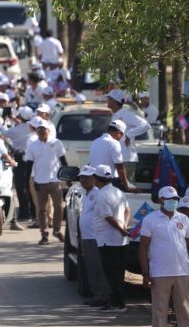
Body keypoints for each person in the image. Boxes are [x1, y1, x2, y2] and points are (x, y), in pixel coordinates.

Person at [138, 186, 189, 327]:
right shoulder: (150, 219)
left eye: (175, 199)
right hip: (160, 273)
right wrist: (145, 273)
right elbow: (143, 248)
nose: (173, 201)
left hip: (183, 272)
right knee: (160, 311)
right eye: (169, 199)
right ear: (161, 199)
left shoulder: (184, 219)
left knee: (184, 311)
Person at [93, 164, 130, 313]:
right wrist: (125, 226)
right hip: (120, 240)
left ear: (97, 178)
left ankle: (117, 304)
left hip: (108, 240)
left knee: (111, 273)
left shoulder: (102, 195)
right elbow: (127, 210)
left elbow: (108, 217)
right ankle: (118, 302)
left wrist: (121, 229)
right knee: (119, 272)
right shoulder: (118, 191)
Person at [24, 118, 67, 245]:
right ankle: (44, 234)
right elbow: (28, 165)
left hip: (55, 181)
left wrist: (67, 177)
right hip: (39, 182)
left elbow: (63, 161)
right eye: (39, 130)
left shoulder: (56, 143)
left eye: (44, 129)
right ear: (36, 132)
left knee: (59, 207)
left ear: (48, 130)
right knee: (41, 209)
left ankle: (57, 230)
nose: (42, 132)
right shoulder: (33, 145)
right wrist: (27, 184)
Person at [75, 165, 111, 307]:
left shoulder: (98, 193)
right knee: (90, 267)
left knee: (97, 268)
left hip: (95, 237)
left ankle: (103, 296)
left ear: (94, 178)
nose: (83, 180)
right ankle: (98, 295)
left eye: (86, 177)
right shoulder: (86, 193)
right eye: (81, 177)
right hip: (87, 237)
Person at [107, 89, 150, 184]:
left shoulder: (126, 113)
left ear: (115, 100)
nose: (107, 100)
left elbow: (146, 125)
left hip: (127, 158)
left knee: (127, 190)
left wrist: (128, 134)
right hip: (119, 159)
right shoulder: (115, 115)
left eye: (109, 98)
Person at [1, 106, 35, 221]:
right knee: (31, 185)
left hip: (20, 159)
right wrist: (14, 118)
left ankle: (25, 213)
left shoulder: (16, 130)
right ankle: (34, 212)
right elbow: (24, 124)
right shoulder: (33, 127)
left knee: (21, 187)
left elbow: (3, 132)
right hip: (32, 160)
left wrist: (5, 119)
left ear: (20, 116)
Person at [88, 119, 135, 191]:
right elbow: (120, 168)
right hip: (108, 182)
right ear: (119, 133)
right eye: (122, 135)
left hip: (94, 181)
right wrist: (127, 186)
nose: (121, 138)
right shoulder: (114, 143)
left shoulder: (95, 142)